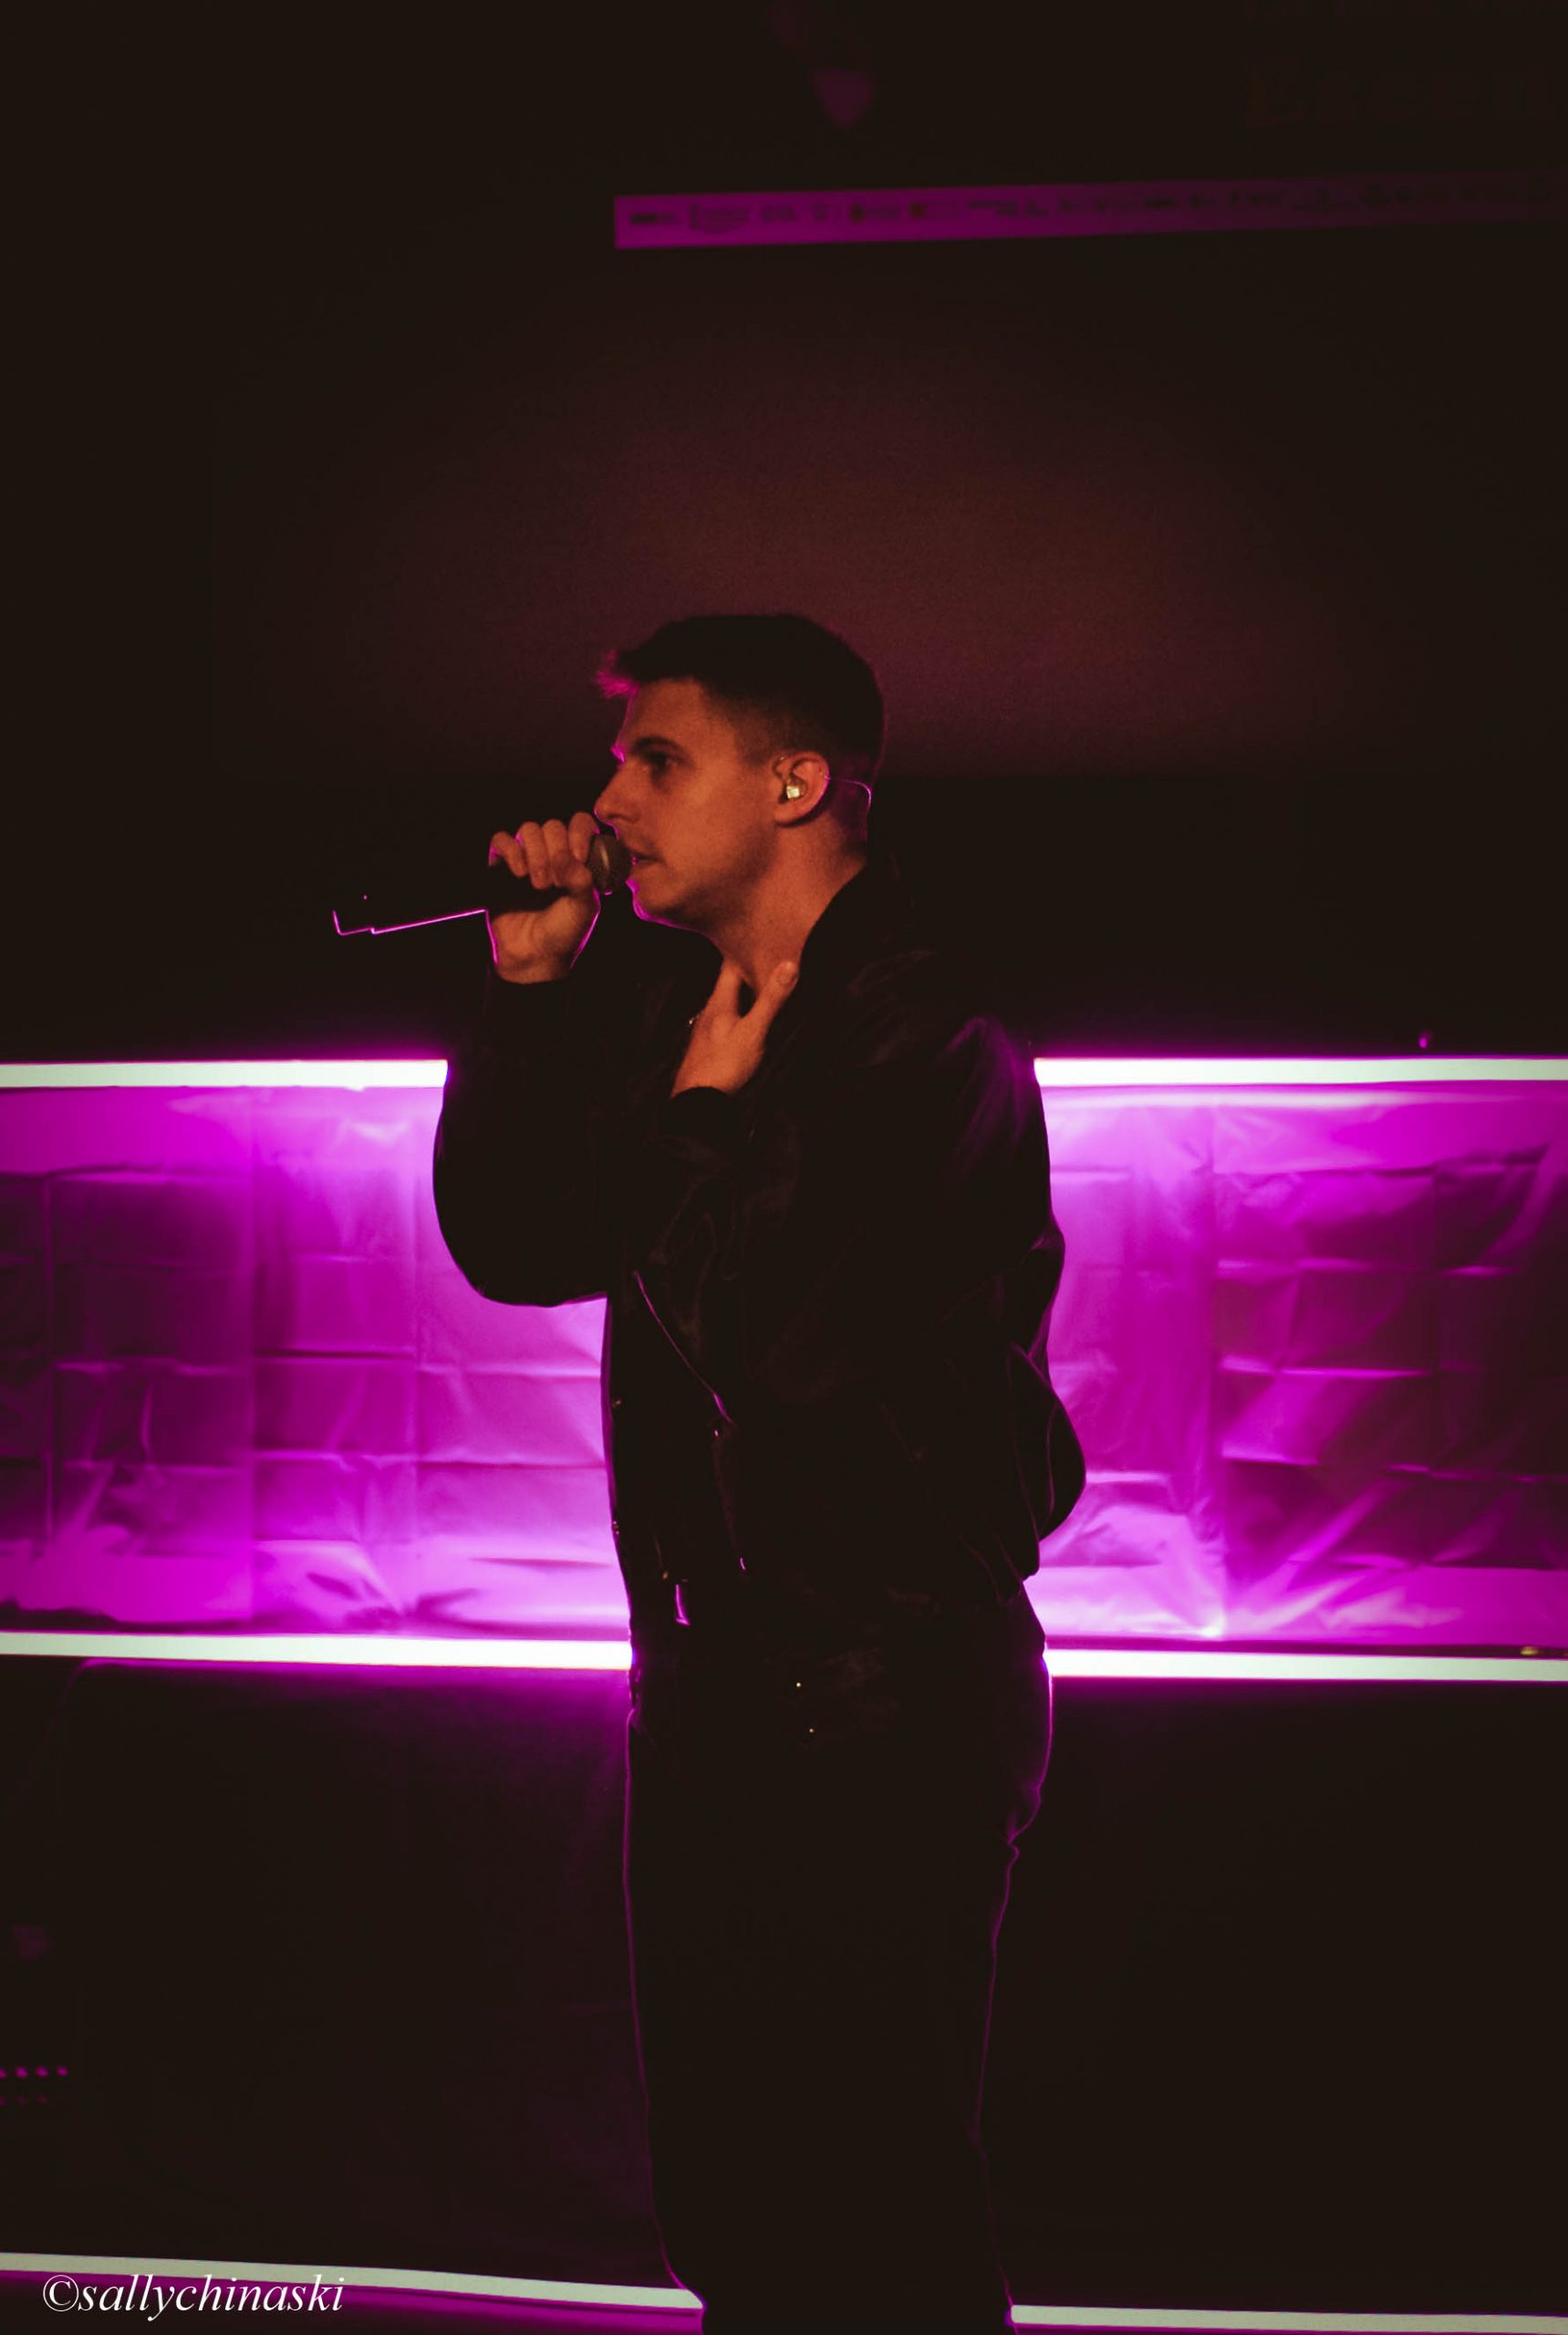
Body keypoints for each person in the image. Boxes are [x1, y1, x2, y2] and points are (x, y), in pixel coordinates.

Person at [432, 613, 1084, 2335]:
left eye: (657, 761)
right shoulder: (677, 1010)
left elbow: (783, 1355)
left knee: (876, 2222)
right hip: (713, 1702)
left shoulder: (926, 1037)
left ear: (796, 783)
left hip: (880, 1713)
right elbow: (517, 1242)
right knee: (736, 2213)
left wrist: (704, 1125)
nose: (608, 802)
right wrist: (526, 997)